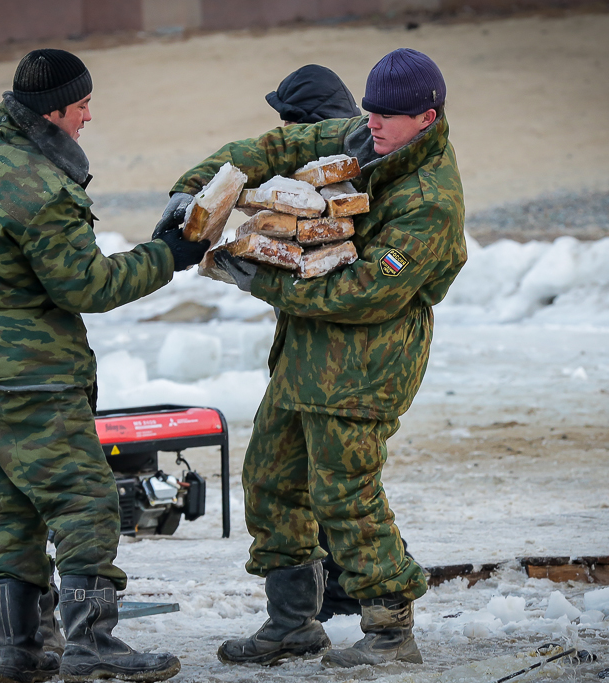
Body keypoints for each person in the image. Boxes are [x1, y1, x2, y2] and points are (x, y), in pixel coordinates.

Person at [170, 48, 466, 668]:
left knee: (346, 495)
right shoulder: (362, 139)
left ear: (428, 118)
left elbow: (368, 294)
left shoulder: (430, 200)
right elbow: (273, 149)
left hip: (367, 365)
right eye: (370, 111)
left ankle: (390, 628)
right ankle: (292, 623)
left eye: (389, 115)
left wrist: (261, 280)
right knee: (271, 481)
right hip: (306, 353)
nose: (373, 124)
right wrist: (195, 189)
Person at [0, 49, 206, 683]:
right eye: (81, 106)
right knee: (83, 501)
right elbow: (86, 287)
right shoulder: (41, 186)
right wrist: (168, 254)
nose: (87, 117)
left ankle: (20, 650)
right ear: (53, 111)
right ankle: (91, 645)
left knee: (8, 507)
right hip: (34, 374)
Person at [266, 64, 365, 624]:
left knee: (334, 480)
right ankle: (334, 596)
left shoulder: (341, 184)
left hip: (339, 359)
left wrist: (267, 277)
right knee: (306, 475)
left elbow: (340, 282)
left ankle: (349, 598)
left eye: (289, 122)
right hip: (306, 351)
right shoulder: (311, 180)